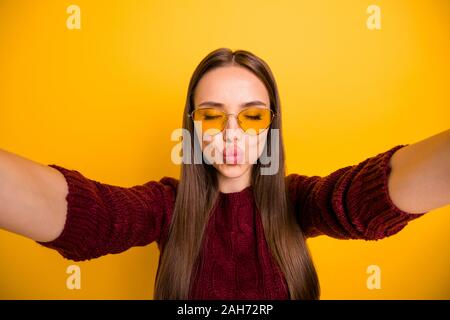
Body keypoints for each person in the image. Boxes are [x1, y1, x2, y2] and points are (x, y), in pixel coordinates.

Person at [0, 48, 448, 300]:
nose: (231, 133)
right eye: (212, 115)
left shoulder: (299, 201)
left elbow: (359, 201)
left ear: (271, 124)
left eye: (252, 116)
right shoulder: (165, 207)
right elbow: (92, 216)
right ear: (193, 126)